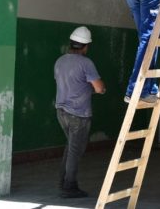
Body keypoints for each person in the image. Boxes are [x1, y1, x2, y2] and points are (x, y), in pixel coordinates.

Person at [54, 26, 106, 198]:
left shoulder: (60, 61)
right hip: (79, 114)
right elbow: (99, 88)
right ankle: (69, 186)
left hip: (61, 111)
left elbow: (68, 85)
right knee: (75, 151)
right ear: (85, 46)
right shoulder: (86, 63)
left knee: (71, 148)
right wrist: (101, 89)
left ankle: (64, 182)